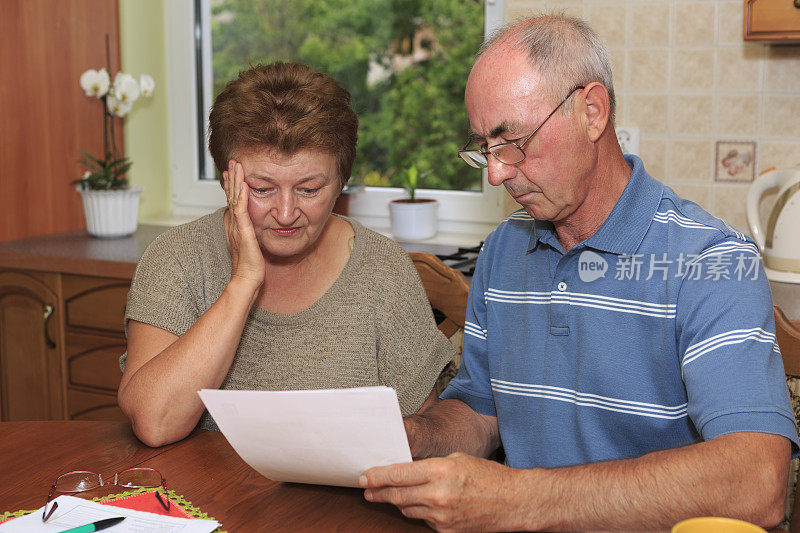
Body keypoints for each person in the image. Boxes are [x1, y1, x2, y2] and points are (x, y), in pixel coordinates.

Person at [359, 15, 799, 531]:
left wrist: (518, 500)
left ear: (592, 112)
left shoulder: (711, 260)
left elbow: (756, 482)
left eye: (513, 141)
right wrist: (412, 438)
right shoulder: (504, 250)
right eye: (484, 147)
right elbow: (482, 409)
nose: (497, 171)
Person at [117, 62, 454, 447]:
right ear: (226, 180)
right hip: (207, 500)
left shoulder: (383, 269)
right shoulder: (176, 258)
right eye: (262, 189)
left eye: (310, 189)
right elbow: (154, 422)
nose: (286, 212)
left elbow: (428, 435)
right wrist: (243, 283)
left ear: (341, 181)